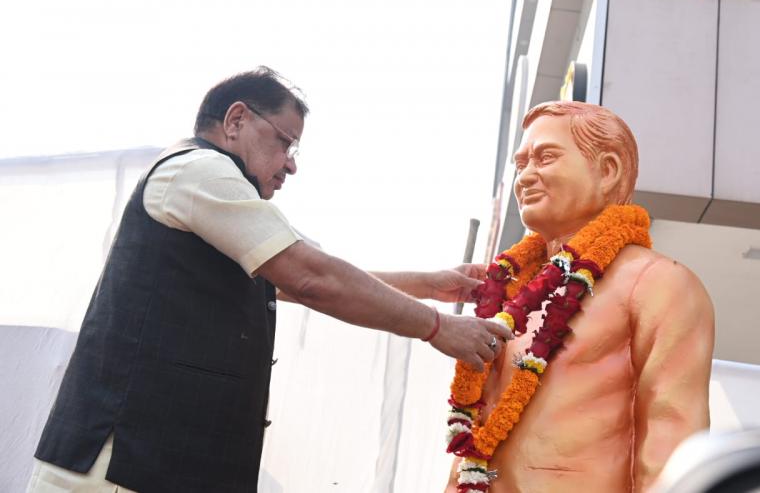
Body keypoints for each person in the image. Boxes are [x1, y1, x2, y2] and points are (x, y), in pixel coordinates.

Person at [28, 67, 512, 493]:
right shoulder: (200, 171)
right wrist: (438, 327)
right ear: (236, 120)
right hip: (122, 466)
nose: (291, 163)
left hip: (159, 466)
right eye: (285, 141)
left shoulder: (221, 197)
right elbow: (309, 276)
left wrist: (430, 284)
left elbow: (316, 269)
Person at [444, 101, 714, 493]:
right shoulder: (510, 292)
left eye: (545, 157)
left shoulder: (658, 283)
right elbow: (472, 441)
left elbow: (673, 442)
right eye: (521, 164)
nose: (526, 177)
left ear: (607, 171)